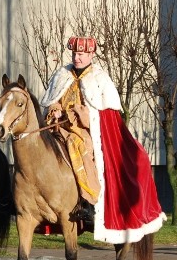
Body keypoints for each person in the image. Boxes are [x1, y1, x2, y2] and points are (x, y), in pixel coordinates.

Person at [41, 36, 165, 244]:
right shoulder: (62, 74)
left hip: (83, 133)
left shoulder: (99, 79)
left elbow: (104, 117)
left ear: (91, 55)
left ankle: (87, 202)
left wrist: (81, 115)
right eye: (74, 54)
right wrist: (54, 110)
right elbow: (51, 101)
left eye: (81, 54)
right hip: (58, 128)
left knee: (78, 148)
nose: (77, 57)